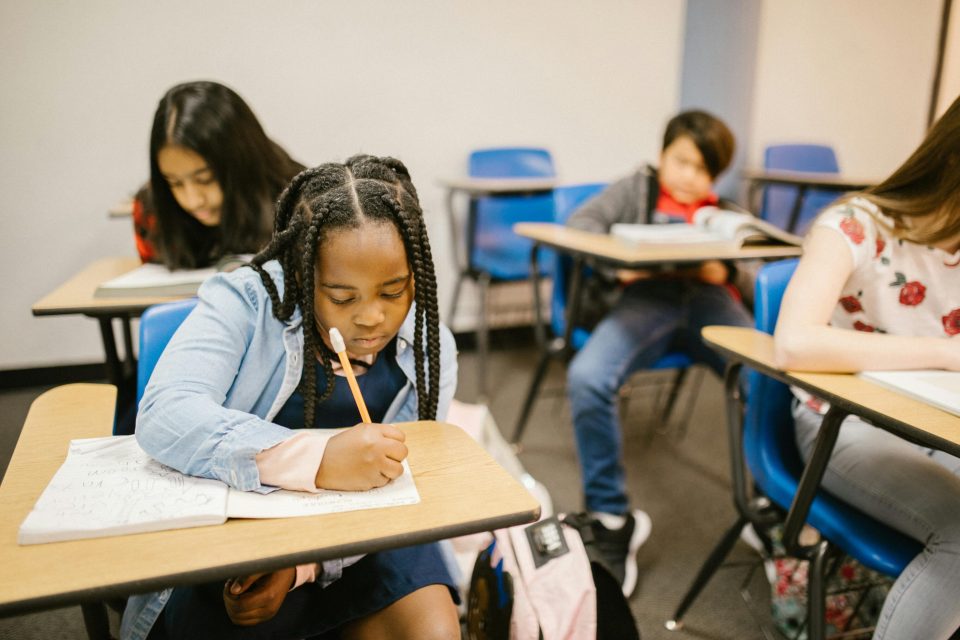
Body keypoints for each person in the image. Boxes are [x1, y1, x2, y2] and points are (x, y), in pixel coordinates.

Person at [120, 155, 460, 640]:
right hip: (242, 541)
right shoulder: (245, 302)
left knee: (432, 627)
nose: (372, 318)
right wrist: (315, 459)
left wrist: (305, 567)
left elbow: (403, 496)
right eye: (343, 298)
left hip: (365, 537)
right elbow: (165, 413)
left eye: (394, 291)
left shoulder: (429, 349)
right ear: (301, 276)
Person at [774, 95, 960, 639]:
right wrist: (946, 353)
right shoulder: (854, 225)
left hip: (935, 423)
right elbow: (793, 344)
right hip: (844, 424)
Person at [564, 110, 752, 597]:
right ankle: (610, 517)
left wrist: (726, 274)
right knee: (588, 378)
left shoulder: (725, 212)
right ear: (663, 154)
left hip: (709, 302)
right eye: (682, 162)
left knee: (773, 383)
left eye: (705, 170)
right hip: (646, 302)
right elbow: (581, 225)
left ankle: (774, 508)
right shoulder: (636, 189)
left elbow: (758, 274)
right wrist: (620, 265)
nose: (691, 177)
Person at [133, 80, 304, 269]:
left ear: (242, 160)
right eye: (174, 183)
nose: (193, 201)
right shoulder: (152, 212)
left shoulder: (301, 201)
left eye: (205, 179)